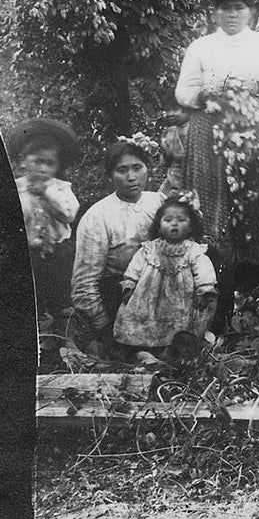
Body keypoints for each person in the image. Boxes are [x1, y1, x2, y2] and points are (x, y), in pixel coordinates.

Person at [174, 0, 259, 322]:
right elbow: (184, 90)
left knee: (254, 199)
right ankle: (217, 285)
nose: (232, 14)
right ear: (215, 12)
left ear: (251, 11)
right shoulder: (202, 46)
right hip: (211, 133)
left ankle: (257, 292)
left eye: (239, 7)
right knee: (214, 202)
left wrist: (257, 85)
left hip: (255, 130)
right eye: (225, 8)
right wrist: (204, 94)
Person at [70, 138, 165, 357]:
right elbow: (83, 286)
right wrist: (105, 329)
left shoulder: (159, 201)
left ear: (148, 169)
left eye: (137, 168)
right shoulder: (98, 216)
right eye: (122, 170)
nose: (131, 177)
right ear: (110, 176)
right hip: (122, 297)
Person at [114, 195, 218, 353]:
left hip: (182, 298)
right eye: (168, 220)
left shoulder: (193, 250)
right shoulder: (150, 249)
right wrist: (130, 284)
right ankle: (144, 348)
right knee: (146, 321)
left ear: (191, 227)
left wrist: (204, 290)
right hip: (150, 297)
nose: (174, 224)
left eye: (181, 220)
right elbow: (135, 267)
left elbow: (204, 271)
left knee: (180, 326)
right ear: (159, 227)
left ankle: (175, 351)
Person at [8, 117, 83, 330]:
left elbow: (69, 214)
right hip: (28, 253)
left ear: (57, 166)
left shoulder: (60, 188)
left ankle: (66, 336)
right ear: (23, 160)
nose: (43, 168)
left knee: (60, 295)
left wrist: (47, 195)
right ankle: (39, 336)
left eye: (50, 164)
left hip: (58, 252)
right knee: (33, 296)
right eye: (37, 161)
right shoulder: (16, 188)